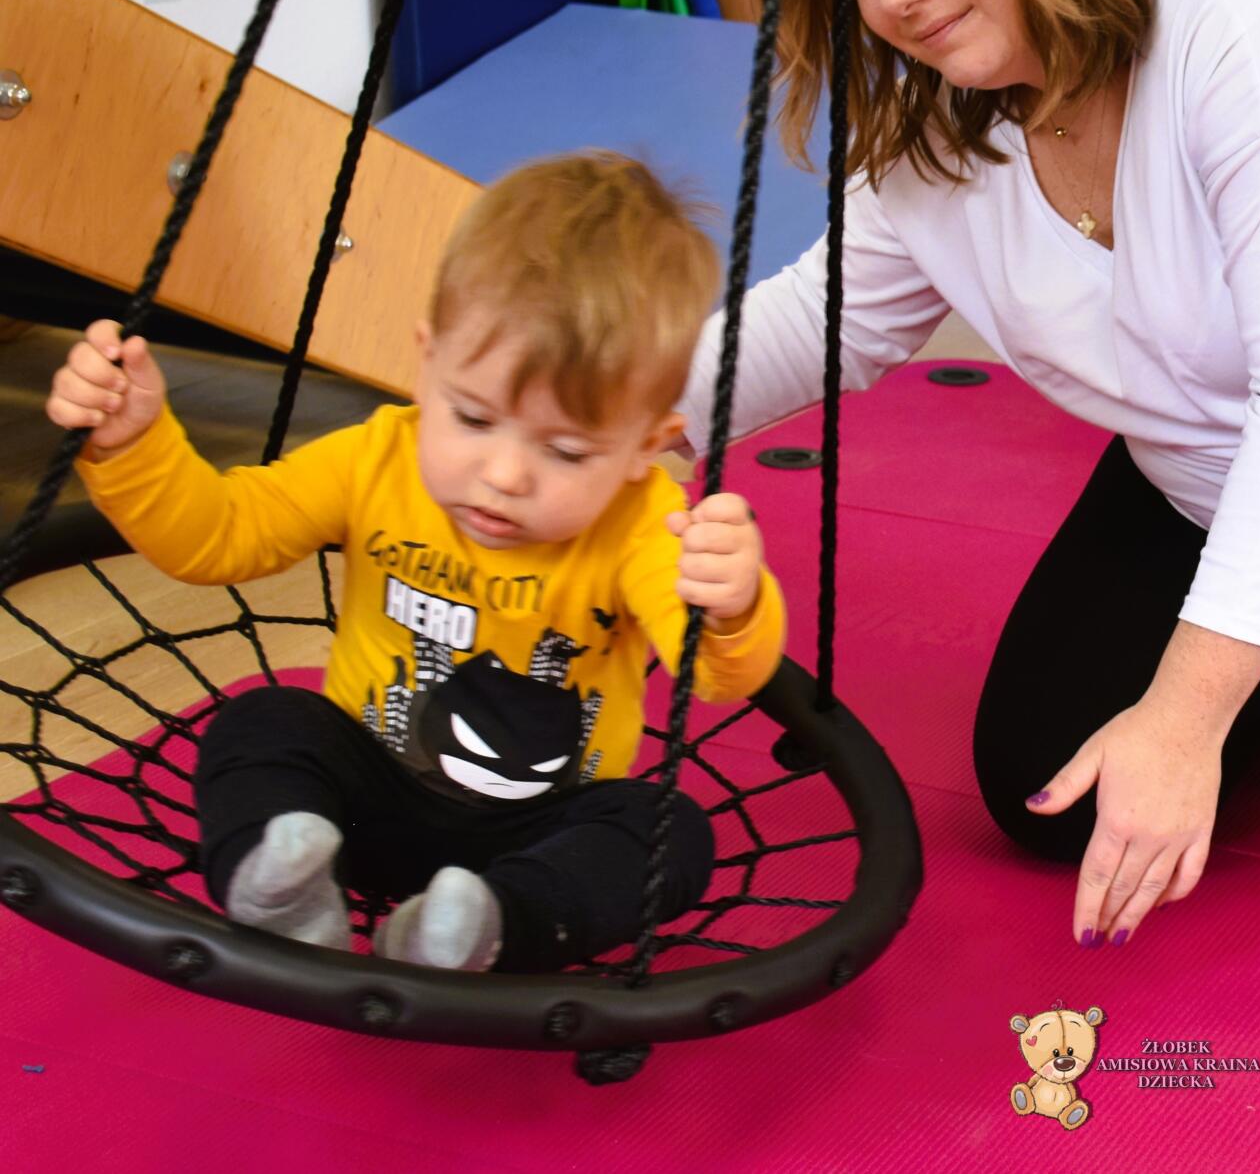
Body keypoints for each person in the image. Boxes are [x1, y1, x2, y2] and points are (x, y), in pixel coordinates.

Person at [679, 0, 1260, 952]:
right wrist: (597, 427)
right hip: (1215, 489)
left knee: (1165, 732)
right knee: (1050, 781)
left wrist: (1184, 718)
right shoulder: (952, 118)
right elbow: (821, 321)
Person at [47, 153, 786, 972]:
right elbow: (217, 537)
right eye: (472, 418)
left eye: (566, 451)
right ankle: (281, 880)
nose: (503, 475)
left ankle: (483, 925)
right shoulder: (374, 460)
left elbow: (714, 674)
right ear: (427, 364)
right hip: (355, 805)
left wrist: (730, 603)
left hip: (536, 835)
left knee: (668, 830)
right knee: (263, 721)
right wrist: (135, 448)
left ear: (646, 445)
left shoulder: (644, 520)